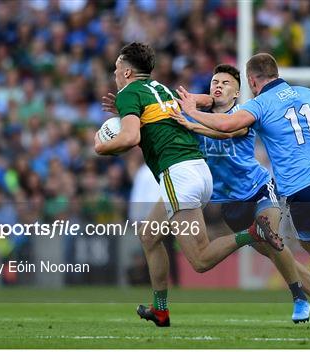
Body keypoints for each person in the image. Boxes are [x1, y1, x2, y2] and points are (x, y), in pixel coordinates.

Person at [175, 53, 310, 329]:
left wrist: (191, 112)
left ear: (251, 81)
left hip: (300, 190)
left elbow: (227, 126)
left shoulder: (260, 105)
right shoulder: (307, 93)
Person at [94, 43, 284, 327]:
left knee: (200, 260)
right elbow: (205, 101)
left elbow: (131, 138)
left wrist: (101, 147)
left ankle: (254, 232)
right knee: (149, 235)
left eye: (117, 67)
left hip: (178, 174)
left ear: (127, 71)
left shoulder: (130, 93)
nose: (114, 72)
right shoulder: (163, 90)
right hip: (199, 171)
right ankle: (160, 310)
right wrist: (126, 112)